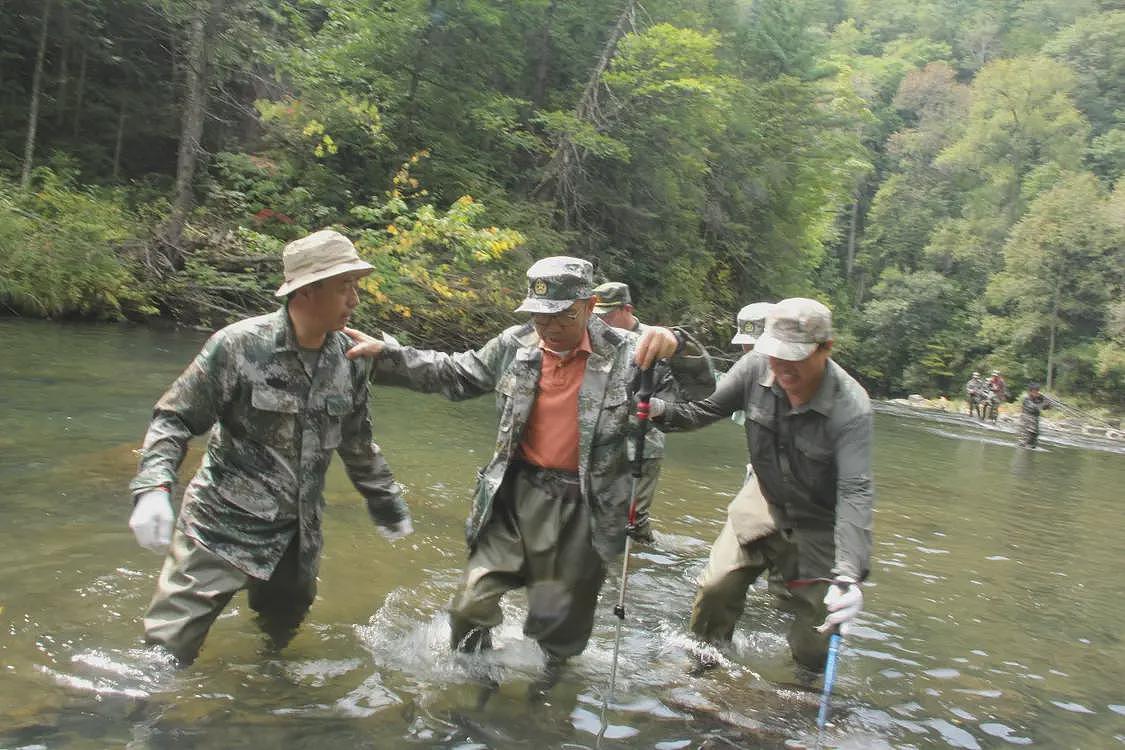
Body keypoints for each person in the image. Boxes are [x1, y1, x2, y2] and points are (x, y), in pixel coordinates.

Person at [343, 257, 713, 688]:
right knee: (468, 607)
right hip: (515, 496)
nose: (548, 326)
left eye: (561, 315)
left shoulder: (632, 354)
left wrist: (680, 344)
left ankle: (549, 693)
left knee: (560, 634)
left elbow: (702, 398)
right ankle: (478, 688)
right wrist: (388, 355)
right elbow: (457, 373)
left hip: (587, 507)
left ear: (590, 305)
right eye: (538, 315)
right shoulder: (515, 344)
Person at [127, 229, 413, 665]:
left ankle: (265, 700)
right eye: (344, 287)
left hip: (297, 537)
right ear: (308, 292)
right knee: (166, 651)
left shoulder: (351, 360)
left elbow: (357, 444)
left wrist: (386, 502)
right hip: (220, 529)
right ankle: (141, 721)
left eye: (356, 287)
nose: (355, 299)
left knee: (280, 633)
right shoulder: (239, 346)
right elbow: (174, 418)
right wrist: (153, 489)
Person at [649, 298, 873, 673]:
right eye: (775, 354)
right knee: (716, 588)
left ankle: (800, 692)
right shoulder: (754, 366)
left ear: (826, 348)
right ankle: (702, 673)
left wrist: (849, 575)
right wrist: (659, 412)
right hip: (763, 495)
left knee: (816, 640)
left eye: (795, 356)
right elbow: (703, 411)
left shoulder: (852, 408)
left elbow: (855, 491)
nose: (782, 367)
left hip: (819, 518)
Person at [591, 281, 661, 542]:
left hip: (644, 443)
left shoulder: (653, 341)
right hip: (606, 441)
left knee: (634, 518)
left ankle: (646, 560)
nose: (603, 322)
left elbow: (673, 397)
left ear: (627, 309)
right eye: (598, 316)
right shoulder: (598, 338)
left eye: (608, 315)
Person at [1018, 383, 1051, 449]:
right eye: (1035, 391)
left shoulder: (1039, 398)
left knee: (1033, 442)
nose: (1037, 392)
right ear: (1030, 391)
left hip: (1035, 421)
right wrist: (1043, 403)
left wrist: (1048, 402)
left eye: (1037, 390)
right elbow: (1035, 407)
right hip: (1026, 421)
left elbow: (1047, 408)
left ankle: (1029, 454)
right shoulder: (1026, 398)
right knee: (1025, 441)